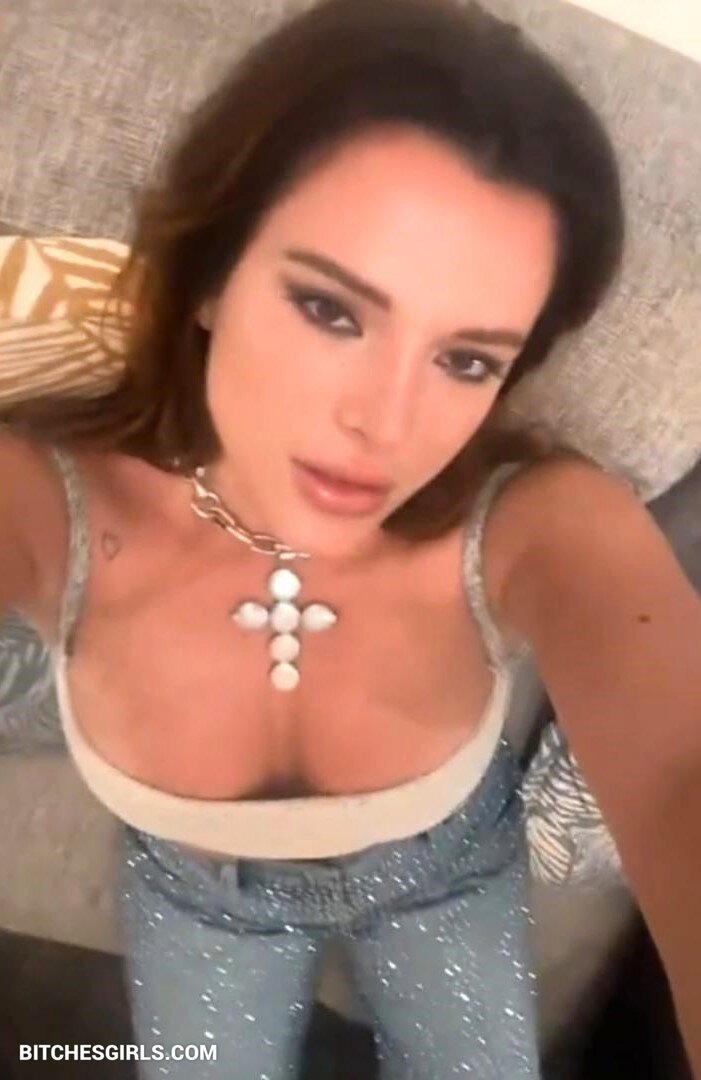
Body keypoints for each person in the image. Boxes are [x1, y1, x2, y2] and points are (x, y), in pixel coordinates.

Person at [1, 0, 699, 1076]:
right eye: (331, 310)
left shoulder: (536, 525)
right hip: (198, 897)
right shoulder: (45, 503)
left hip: (446, 877)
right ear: (209, 277)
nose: (385, 422)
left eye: (464, 360)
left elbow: (680, 775)